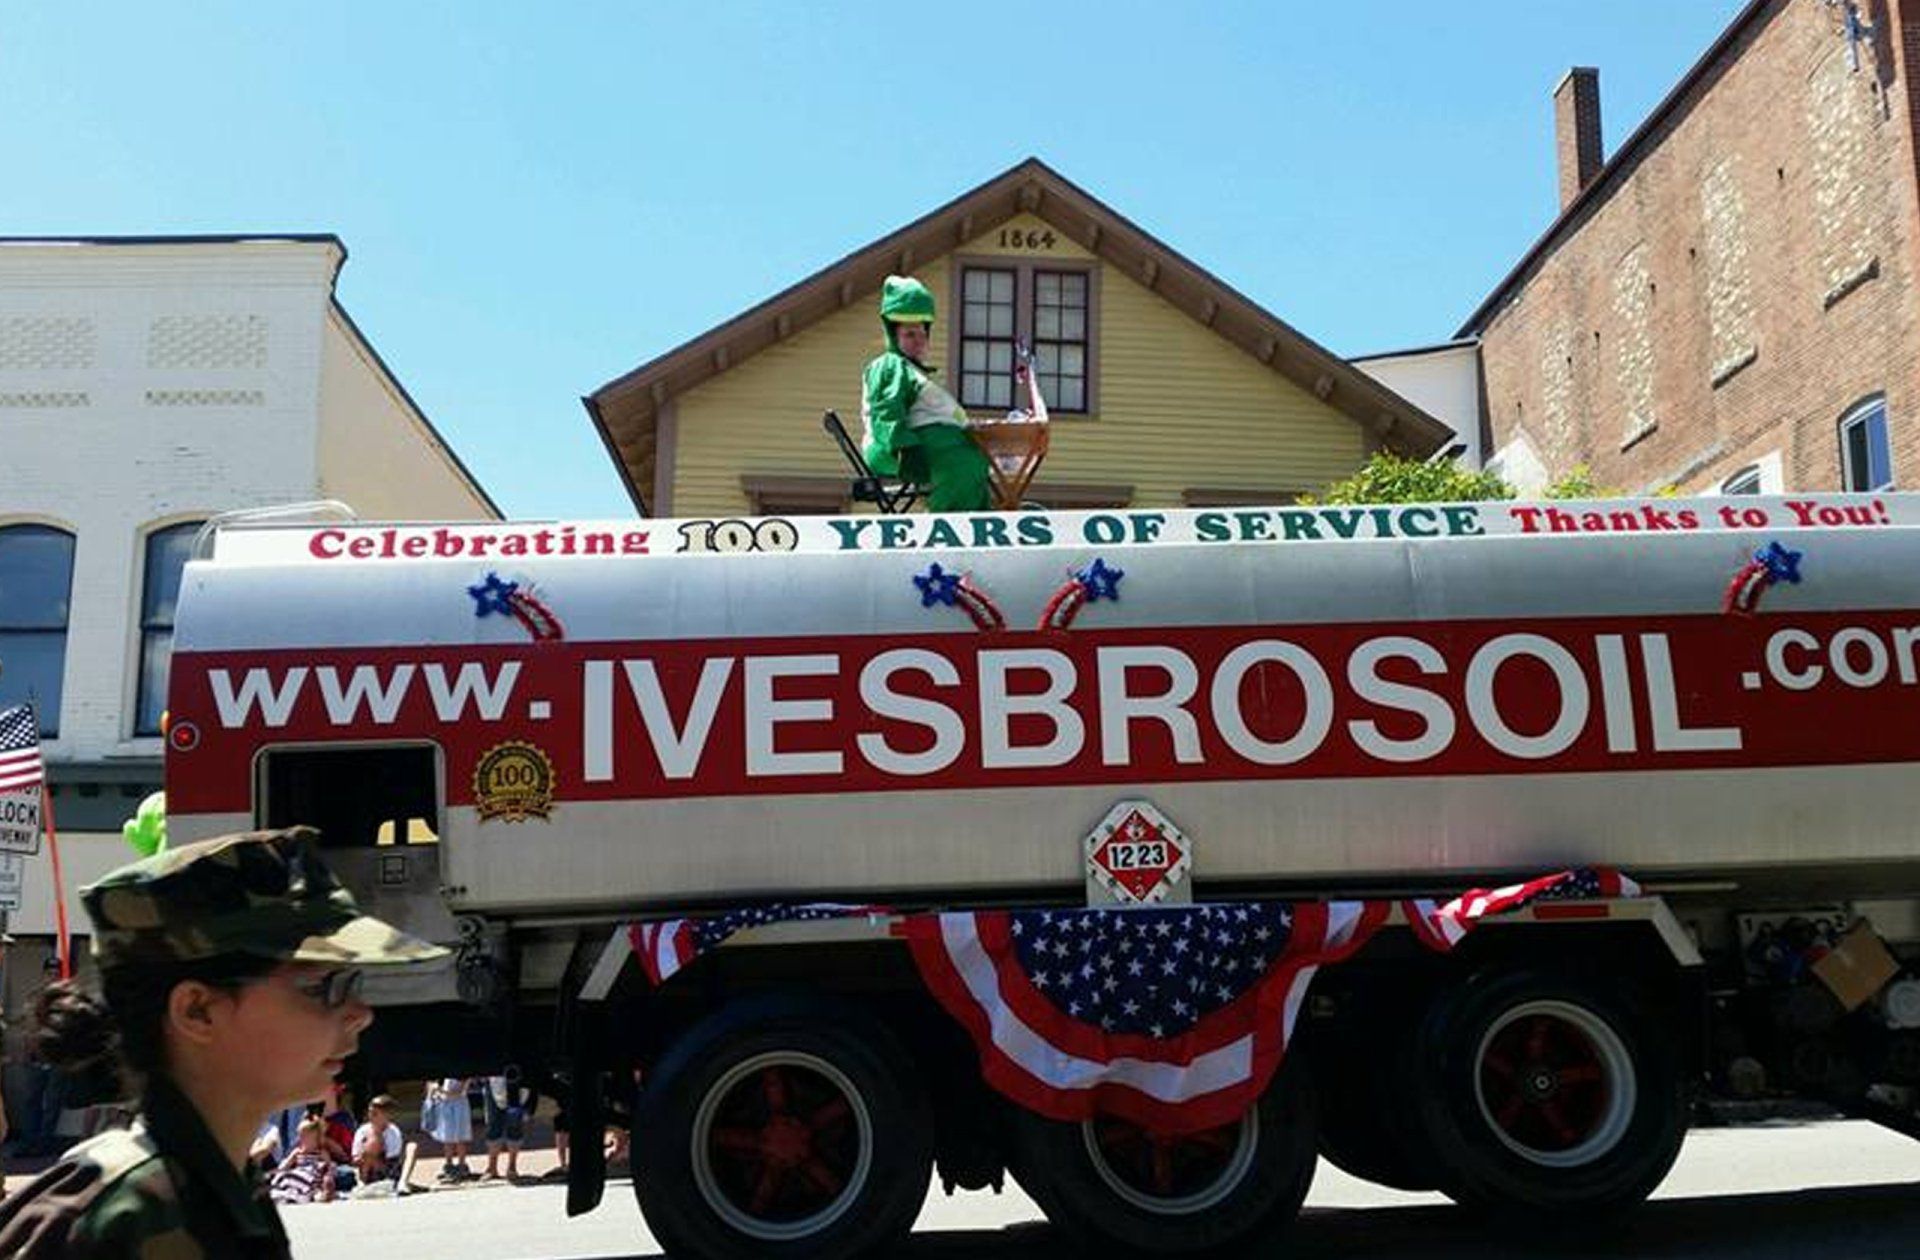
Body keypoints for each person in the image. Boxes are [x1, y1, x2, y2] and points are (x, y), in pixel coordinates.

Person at [0, 827, 446, 1257]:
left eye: (352, 983)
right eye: (320, 986)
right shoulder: (123, 1218)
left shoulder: (219, 1186)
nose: (359, 1013)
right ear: (197, 1010)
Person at [861, 274, 993, 513]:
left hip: (933, 444)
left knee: (976, 463)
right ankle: (946, 525)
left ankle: (979, 520)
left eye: (922, 334)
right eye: (909, 334)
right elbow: (886, 409)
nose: (918, 341)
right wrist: (903, 448)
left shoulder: (914, 372)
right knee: (964, 463)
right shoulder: (889, 365)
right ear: (893, 335)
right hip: (900, 447)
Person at [267, 1118, 336, 1205]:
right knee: (287, 1176)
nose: (301, 1139)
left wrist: (329, 1176)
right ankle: (287, 1193)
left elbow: (330, 1166)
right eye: (300, 1136)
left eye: (304, 1136)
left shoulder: (321, 1152)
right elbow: (286, 1164)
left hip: (313, 1176)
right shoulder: (297, 1152)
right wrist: (276, 1172)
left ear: (316, 1138)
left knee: (313, 1184)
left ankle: (318, 1194)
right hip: (299, 1172)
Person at [481, 1067, 528, 1181]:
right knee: (493, 1126)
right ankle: (492, 1168)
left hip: (519, 1080)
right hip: (495, 1080)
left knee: (515, 1126)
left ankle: (512, 1168)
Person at [424, 1076, 473, 1181]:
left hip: (459, 1105)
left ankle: (462, 1165)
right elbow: (430, 1084)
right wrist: (432, 1093)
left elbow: (460, 1092)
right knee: (447, 1137)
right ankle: (449, 1165)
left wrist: (440, 1090)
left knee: (460, 1137)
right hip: (444, 1105)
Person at [351, 1095, 404, 1187]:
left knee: (412, 1146)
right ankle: (362, 1182)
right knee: (371, 1142)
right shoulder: (362, 1130)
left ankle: (400, 1182)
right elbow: (355, 1156)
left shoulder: (394, 1131)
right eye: (369, 1112)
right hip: (367, 1169)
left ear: (387, 1115)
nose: (370, 1116)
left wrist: (378, 1136)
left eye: (375, 1114)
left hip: (387, 1168)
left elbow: (392, 1157)